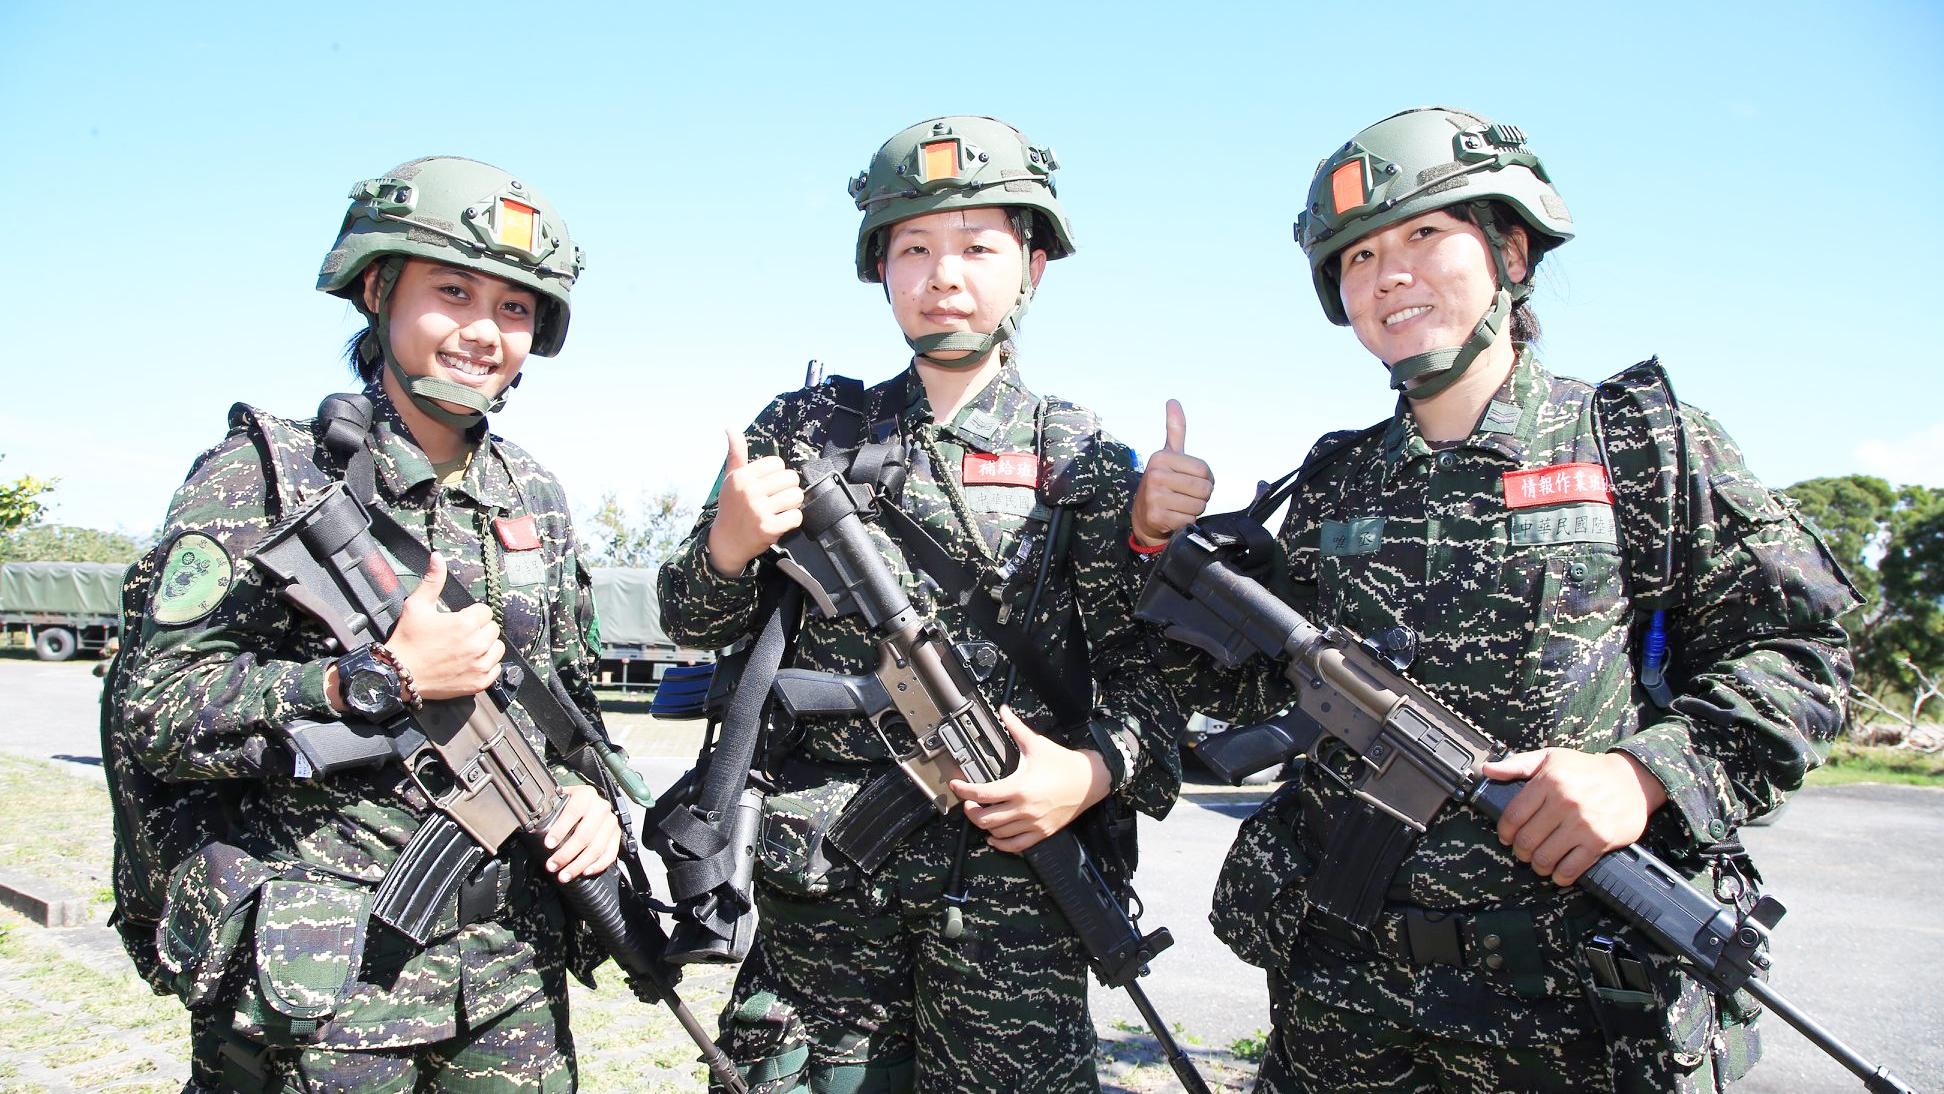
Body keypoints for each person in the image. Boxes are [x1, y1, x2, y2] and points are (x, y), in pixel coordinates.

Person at [1131, 106, 1859, 1091]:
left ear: (1511, 251)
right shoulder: (1334, 480)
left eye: (1425, 235)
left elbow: (1804, 653)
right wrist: (1162, 548)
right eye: (1358, 256)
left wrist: (1644, 773)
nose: (1389, 274)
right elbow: (1248, 691)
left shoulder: (1638, 443)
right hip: (1343, 1006)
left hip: (1570, 1009)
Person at [657, 115, 1182, 1092]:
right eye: (914, 248)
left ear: (1033, 267)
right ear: (881, 268)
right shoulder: (805, 428)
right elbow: (690, 622)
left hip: (1014, 901)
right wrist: (728, 545)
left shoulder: (1081, 454)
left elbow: (1147, 681)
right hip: (826, 894)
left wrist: (1089, 774)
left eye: (978, 247)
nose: (944, 274)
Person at [112, 156, 630, 1092]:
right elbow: (154, 710)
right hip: (324, 982)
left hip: (510, 975)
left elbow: (568, 706)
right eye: (452, 292)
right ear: (378, 290)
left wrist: (588, 799)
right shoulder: (269, 476)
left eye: (515, 308)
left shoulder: (534, 494)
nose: (483, 331)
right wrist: (371, 681)